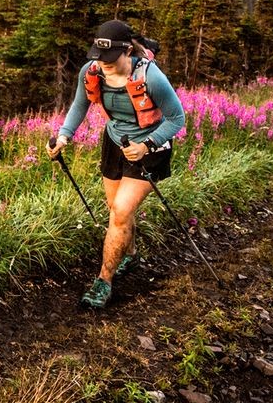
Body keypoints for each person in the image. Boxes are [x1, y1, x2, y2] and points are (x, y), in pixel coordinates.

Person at [47, 19, 185, 310]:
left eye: (111, 58)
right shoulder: (92, 71)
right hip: (114, 142)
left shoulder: (151, 77)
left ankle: (103, 281)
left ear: (127, 51)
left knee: (121, 211)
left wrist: (146, 145)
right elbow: (80, 105)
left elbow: (177, 118)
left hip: (150, 147)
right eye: (100, 57)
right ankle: (130, 255)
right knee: (116, 209)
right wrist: (63, 136)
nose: (104, 63)